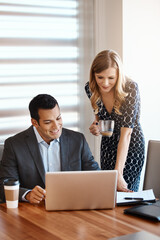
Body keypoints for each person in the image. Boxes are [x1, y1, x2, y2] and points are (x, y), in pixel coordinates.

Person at [0, 94, 100, 204]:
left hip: (73, 206)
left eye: (58, 118)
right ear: (34, 122)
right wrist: (27, 194)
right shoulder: (14, 144)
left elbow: (96, 175)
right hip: (34, 211)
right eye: (48, 122)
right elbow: (4, 185)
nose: (56, 126)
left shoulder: (77, 140)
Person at [85, 49, 145, 192]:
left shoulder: (130, 88)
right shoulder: (91, 88)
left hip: (130, 145)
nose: (105, 83)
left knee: (126, 192)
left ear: (119, 75)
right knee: (108, 192)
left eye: (111, 78)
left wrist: (118, 171)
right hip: (108, 144)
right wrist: (96, 126)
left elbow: (127, 134)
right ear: (94, 74)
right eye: (100, 77)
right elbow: (99, 119)